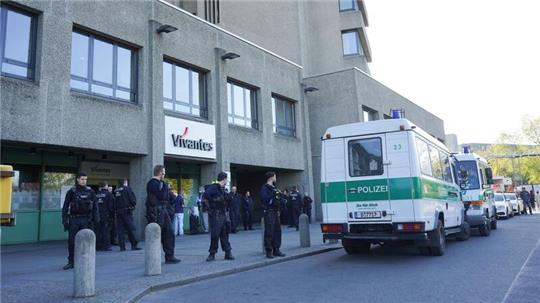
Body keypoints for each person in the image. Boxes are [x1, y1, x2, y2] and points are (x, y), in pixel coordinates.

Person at [61, 172, 99, 270]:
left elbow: (95, 207)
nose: (84, 181)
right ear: (78, 179)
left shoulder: (90, 191)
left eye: (85, 179)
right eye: (82, 179)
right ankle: (71, 262)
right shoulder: (72, 191)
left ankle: (86, 261)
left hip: (86, 219)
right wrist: (64, 220)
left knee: (87, 241)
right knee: (72, 241)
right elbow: (65, 206)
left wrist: (96, 220)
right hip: (74, 219)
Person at [146, 165, 180, 263]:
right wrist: (165, 187)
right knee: (155, 235)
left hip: (163, 211)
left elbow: (168, 198)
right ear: (160, 173)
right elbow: (162, 196)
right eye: (164, 173)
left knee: (169, 233)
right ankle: (153, 258)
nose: (164, 175)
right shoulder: (153, 183)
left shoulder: (160, 184)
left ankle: (169, 256)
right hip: (155, 212)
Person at [203, 172, 234, 261]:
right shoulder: (214, 187)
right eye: (226, 179)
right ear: (224, 179)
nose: (227, 181)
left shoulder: (223, 189)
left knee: (225, 234)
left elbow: (226, 200)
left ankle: (228, 252)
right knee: (215, 234)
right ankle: (212, 253)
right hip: (216, 215)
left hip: (223, 214)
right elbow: (206, 195)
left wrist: (229, 197)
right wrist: (214, 200)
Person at [260, 171, 286, 259]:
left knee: (277, 231)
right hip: (269, 212)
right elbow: (264, 199)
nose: (276, 178)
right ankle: (269, 251)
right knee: (269, 232)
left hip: (275, 211)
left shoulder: (274, 187)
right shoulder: (264, 188)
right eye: (275, 176)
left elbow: (278, 199)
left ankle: (276, 249)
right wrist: (273, 194)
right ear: (271, 178)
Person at [114, 179, 141, 251]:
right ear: (125, 182)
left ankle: (122, 247)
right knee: (131, 229)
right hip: (127, 211)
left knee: (120, 230)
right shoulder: (127, 189)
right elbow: (133, 200)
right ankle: (134, 245)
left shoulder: (116, 191)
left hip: (118, 212)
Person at [96, 181, 115, 251]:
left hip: (97, 216)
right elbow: (111, 207)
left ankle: (98, 246)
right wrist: (112, 216)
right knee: (106, 231)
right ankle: (106, 246)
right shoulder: (109, 194)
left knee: (98, 231)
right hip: (106, 215)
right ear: (106, 186)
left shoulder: (96, 194)